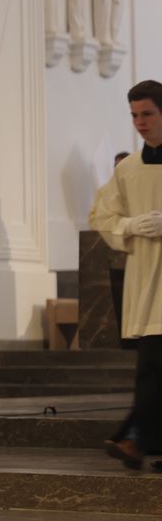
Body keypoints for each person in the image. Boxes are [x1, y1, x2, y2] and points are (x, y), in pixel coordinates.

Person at [90, 80, 162, 472]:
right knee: (152, 365)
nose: (140, 122)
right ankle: (133, 439)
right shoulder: (129, 169)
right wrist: (131, 225)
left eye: (147, 113)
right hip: (149, 282)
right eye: (134, 115)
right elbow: (102, 216)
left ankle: (132, 439)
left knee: (154, 368)